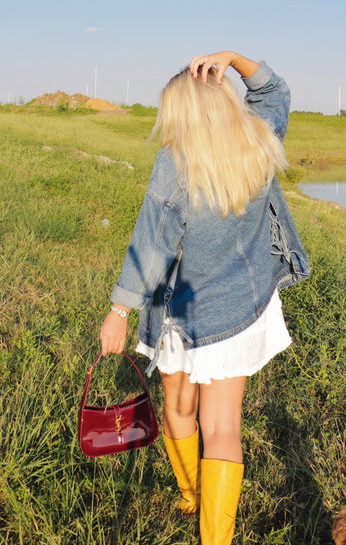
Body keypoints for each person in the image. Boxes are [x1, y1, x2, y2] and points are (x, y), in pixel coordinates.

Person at [99, 51, 310, 545]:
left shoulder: (174, 164)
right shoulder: (258, 140)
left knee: (178, 403)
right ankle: (213, 535)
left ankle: (191, 496)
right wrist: (234, 59)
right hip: (238, 311)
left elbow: (150, 246)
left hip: (179, 312)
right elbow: (275, 93)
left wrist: (119, 311)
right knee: (223, 426)